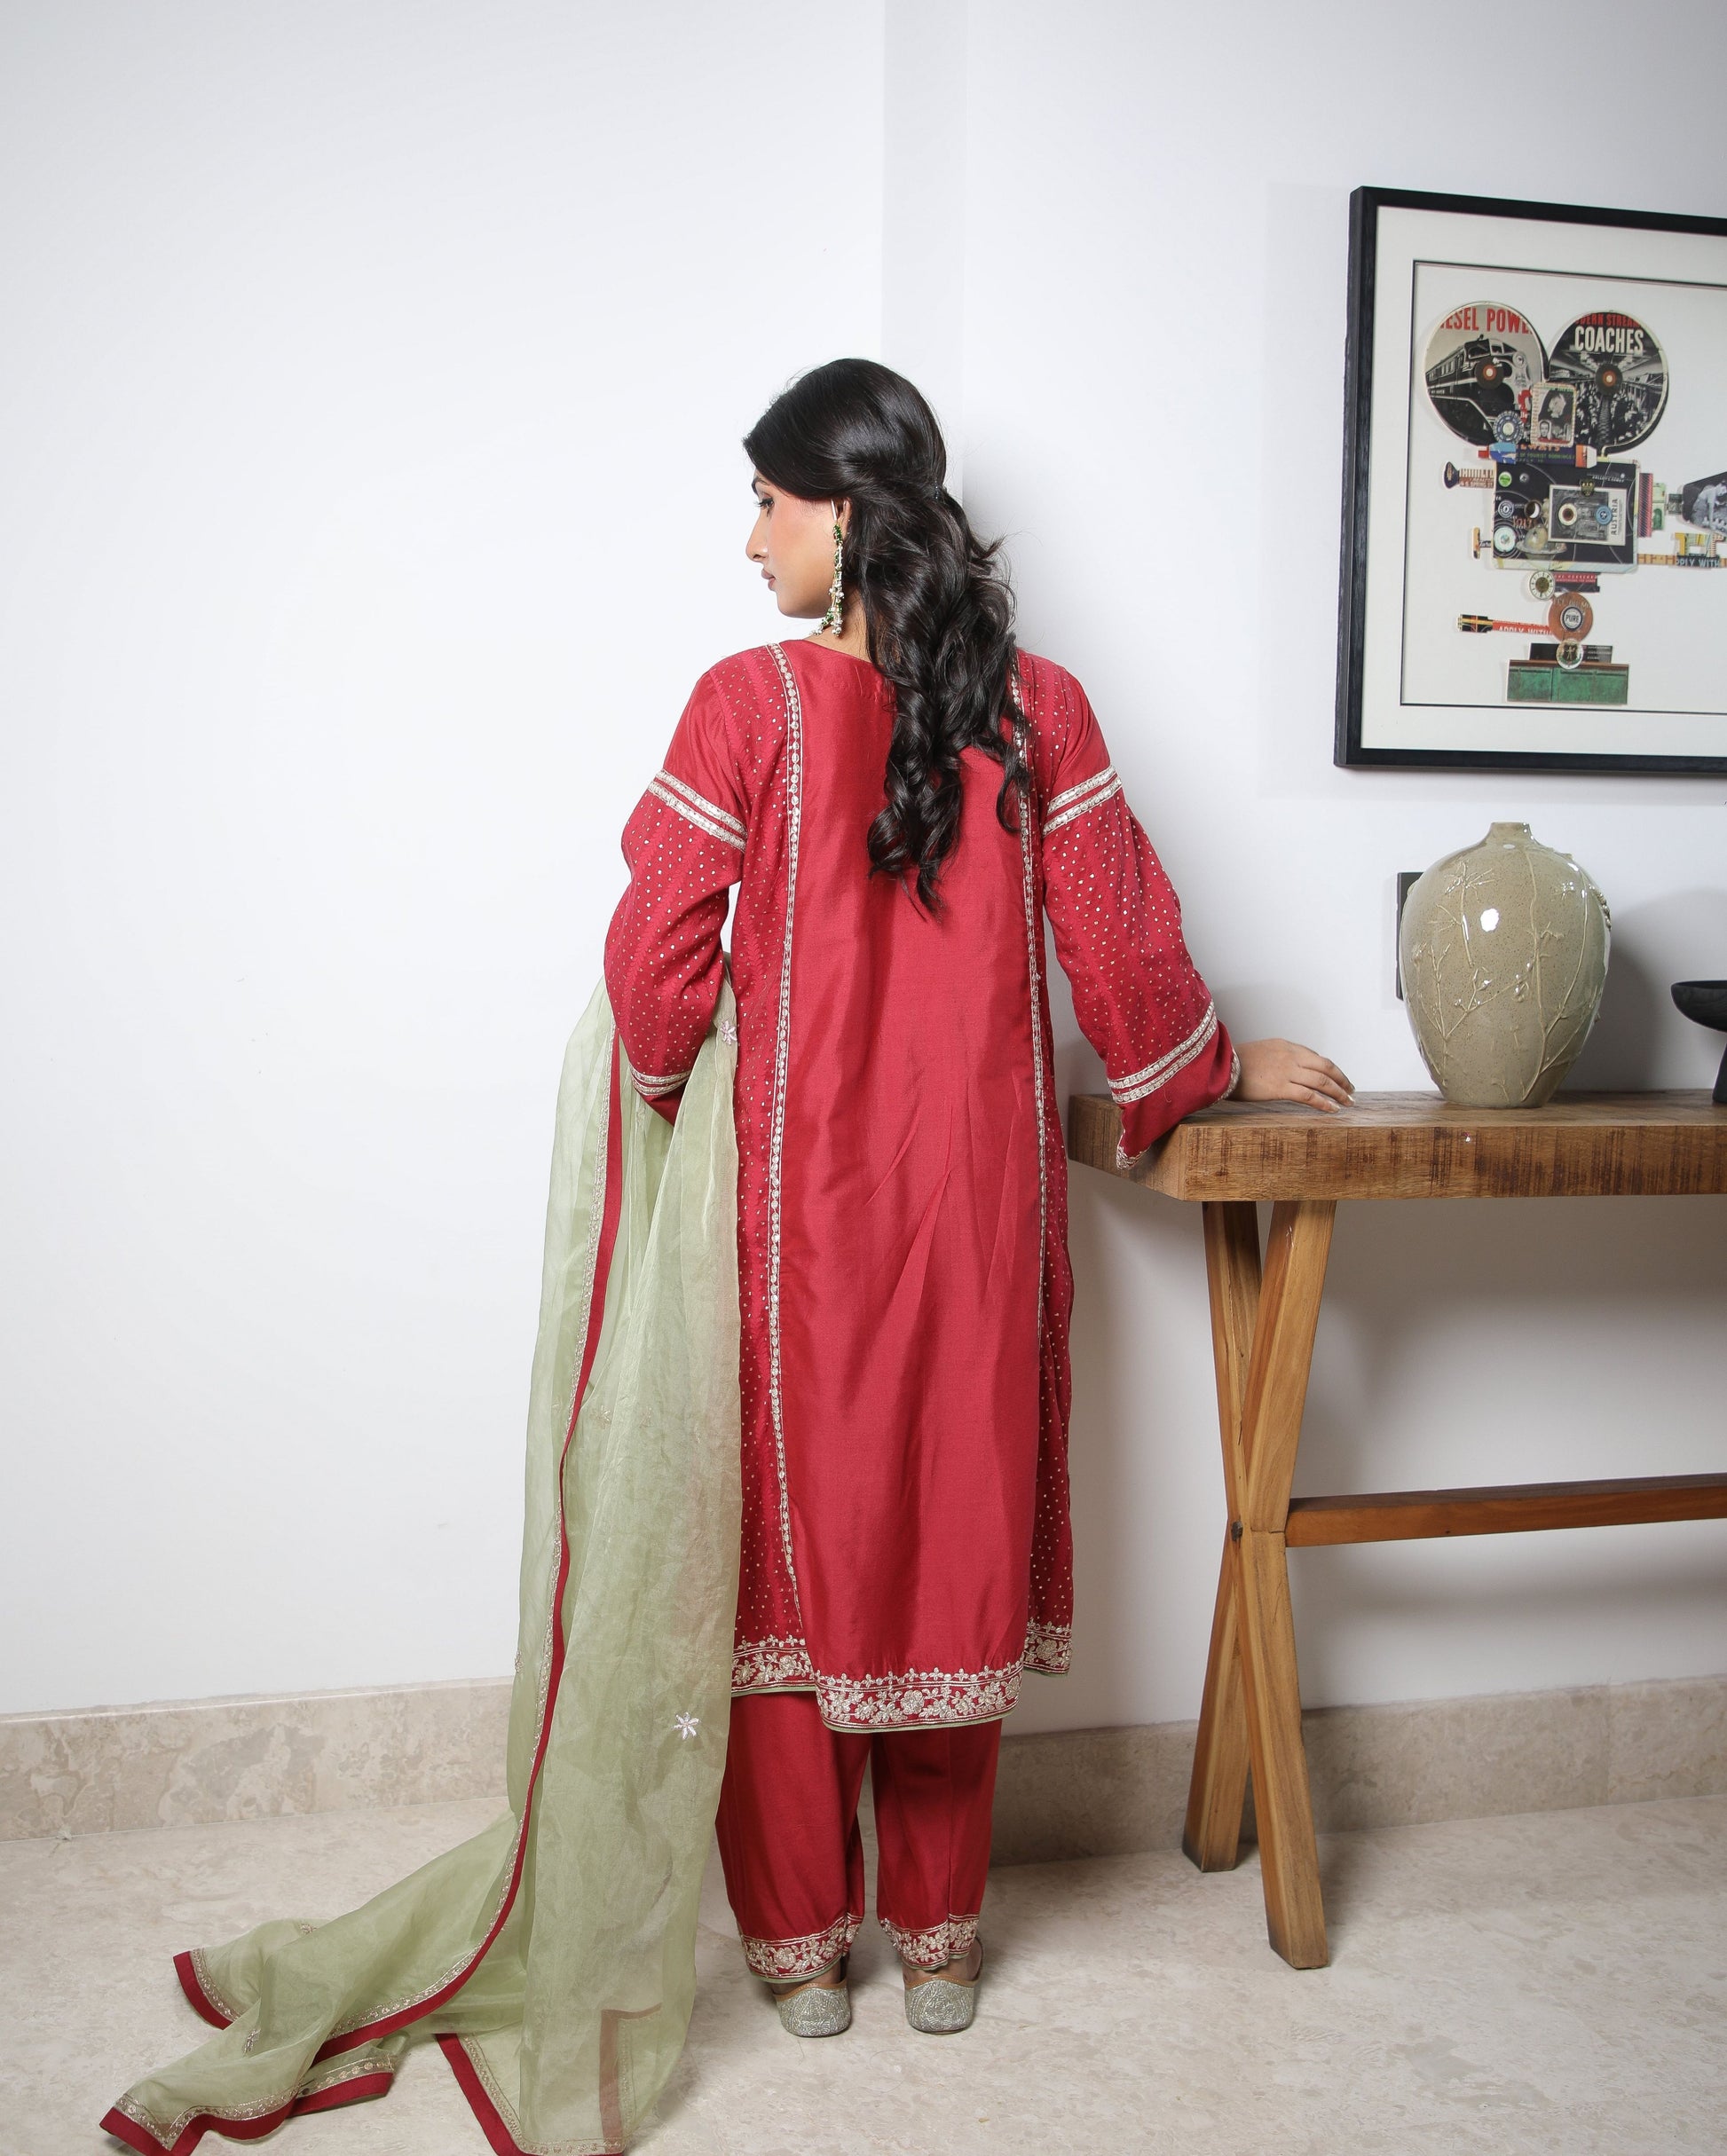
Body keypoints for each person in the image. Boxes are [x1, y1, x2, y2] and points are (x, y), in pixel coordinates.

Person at [602, 357, 1352, 2039]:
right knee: (952, 1527)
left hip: (790, 1231)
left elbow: (652, 971)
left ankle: (801, 1952)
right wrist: (1209, 1058)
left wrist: (657, 1090)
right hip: (980, 1219)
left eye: (767, 503)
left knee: (788, 1553)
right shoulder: (1039, 709)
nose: (749, 540)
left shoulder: (743, 708)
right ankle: (939, 1939)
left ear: (841, 513)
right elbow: (1123, 955)